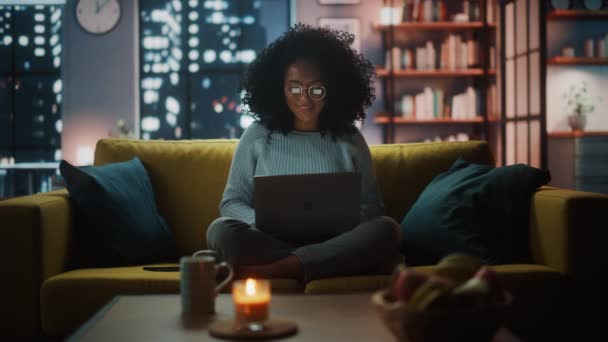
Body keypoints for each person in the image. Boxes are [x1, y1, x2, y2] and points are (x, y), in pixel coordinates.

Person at [207, 23, 400, 283]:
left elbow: (374, 207)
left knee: (386, 229)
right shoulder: (256, 135)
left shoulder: (350, 139)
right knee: (220, 231)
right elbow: (230, 204)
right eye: (294, 88)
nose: (305, 99)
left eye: (316, 89)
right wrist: (263, 220)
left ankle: (274, 270)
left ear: (333, 90)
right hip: (272, 239)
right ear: (279, 88)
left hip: (336, 239)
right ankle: (316, 263)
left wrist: (348, 218)